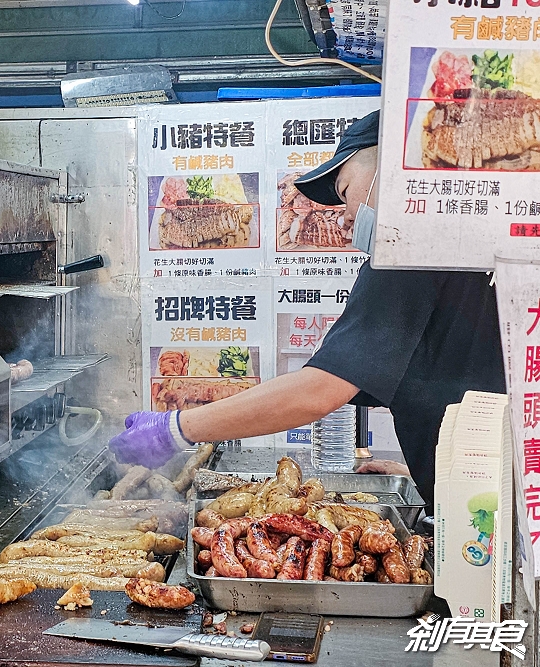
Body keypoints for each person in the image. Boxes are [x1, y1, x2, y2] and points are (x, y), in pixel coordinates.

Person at [110, 110, 507, 507]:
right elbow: (462, 369)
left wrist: (175, 430)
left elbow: (320, 391)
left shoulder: (406, 244)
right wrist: (424, 471)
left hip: (487, 505)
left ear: (388, 164)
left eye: (346, 188)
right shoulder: (461, 237)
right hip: (488, 480)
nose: (346, 216)